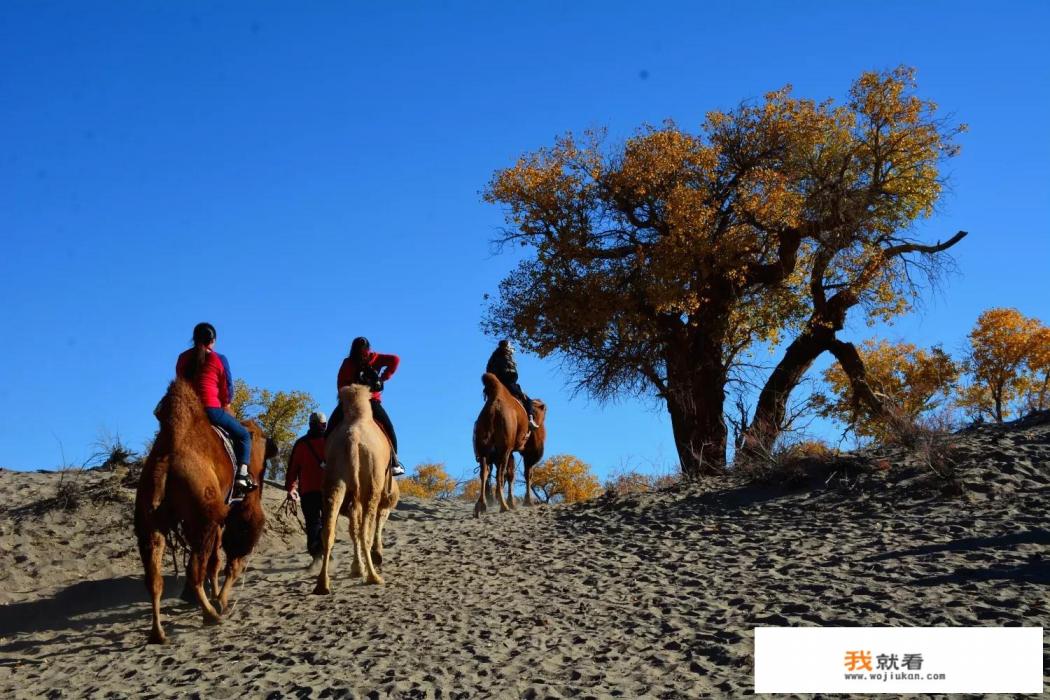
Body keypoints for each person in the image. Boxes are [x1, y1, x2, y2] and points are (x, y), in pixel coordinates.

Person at [175, 322, 255, 498]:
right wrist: (225, 403)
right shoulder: (219, 358)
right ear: (213, 340)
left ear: (194, 339)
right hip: (211, 410)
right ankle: (242, 475)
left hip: (187, 414)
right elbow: (227, 389)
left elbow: (180, 382)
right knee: (243, 435)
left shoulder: (182, 358)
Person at [325, 337, 406, 476]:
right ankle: (395, 464)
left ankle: (393, 461)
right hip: (360, 400)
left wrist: (384, 377)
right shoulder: (359, 360)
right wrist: (383, 378)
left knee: (331, 426)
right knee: (388, 427)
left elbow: (340, 383)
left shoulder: (359, 360)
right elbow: (395, 359)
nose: (364, 352)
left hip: (366, 401)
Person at [285, 412, 327, 558]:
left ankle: (316, 554)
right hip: (327, 490)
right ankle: (323, 551)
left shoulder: (301, 443)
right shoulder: (331, 441)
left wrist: (291, 488)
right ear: (324, 424)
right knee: (327, 523)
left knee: (312, 524)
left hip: (308, 491)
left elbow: (292, 469)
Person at [486, 339, 539, 429]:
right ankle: (530, 420)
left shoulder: (493, 358)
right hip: (508, 384)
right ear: (507, 347)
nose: (511, 348)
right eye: (510, 346)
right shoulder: (505, 358)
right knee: (527, 400)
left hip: (494, 386)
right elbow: (510, 374)